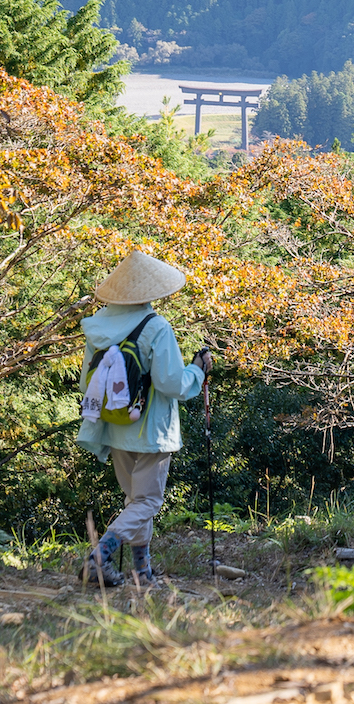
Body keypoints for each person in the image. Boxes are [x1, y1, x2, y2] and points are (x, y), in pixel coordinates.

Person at [76, 250, 211, 588]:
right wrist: (197, 370)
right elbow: (171, 383)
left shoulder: (98, 328)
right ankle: (99, 555)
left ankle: (142, 571)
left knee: (135, 501)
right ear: (152, 292)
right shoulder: (156, 327)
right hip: (151, 428)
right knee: (148, 501)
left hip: (114, 424)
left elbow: (85, 382)